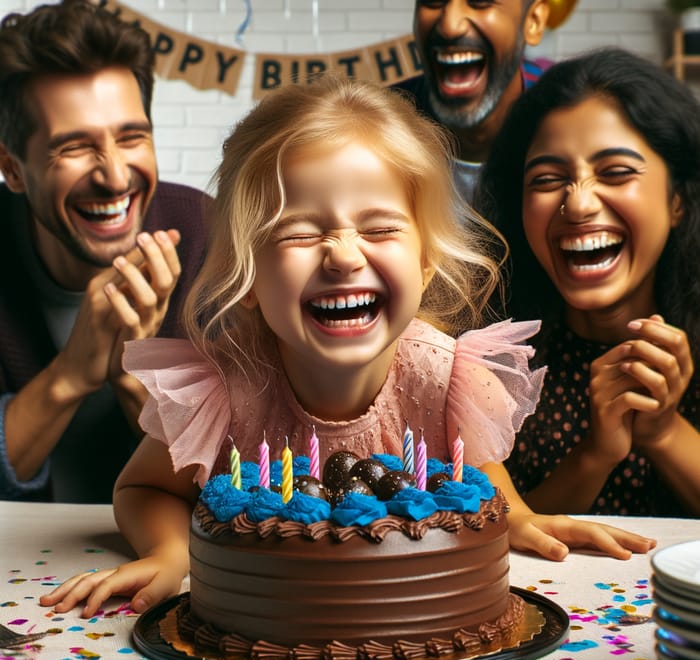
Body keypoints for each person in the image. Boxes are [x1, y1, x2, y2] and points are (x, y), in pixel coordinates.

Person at [39, 75, 655, 618]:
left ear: (426, 258)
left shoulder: (447, 377)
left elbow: (481, 485)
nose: (342, 254)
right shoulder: (225, 387)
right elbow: (141, 488)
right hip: (265, 633)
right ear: (248, 276)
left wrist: (519, 519)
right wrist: (170, 550)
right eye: (299, 232)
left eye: (380, 227)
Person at [0, 0, 209, 503]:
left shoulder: (209, 235)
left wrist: (139, 373)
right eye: (74, 147)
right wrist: (71, 373)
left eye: (132, 137)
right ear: (11, 169)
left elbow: (228, 482)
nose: (115, 176)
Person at [478, 47, 700, 517]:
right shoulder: (490, 360)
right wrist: (595, 455)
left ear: (678, 199)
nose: (577, 205)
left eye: (616, 173)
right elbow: (502, 540)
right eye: (546, 179)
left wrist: (663, 431)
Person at [394, 0, 551, 204]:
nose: (450, 27)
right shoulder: (380, 126)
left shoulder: (571, 124)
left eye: (480, 2)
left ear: (533, 21)